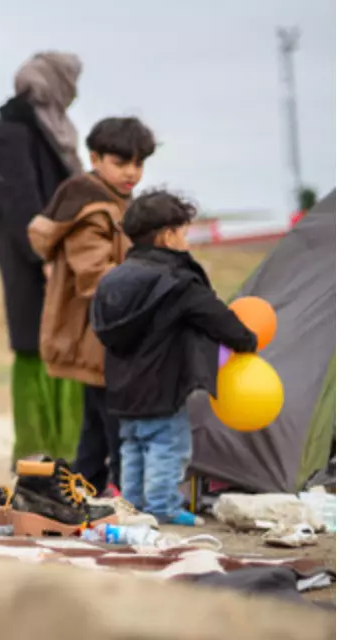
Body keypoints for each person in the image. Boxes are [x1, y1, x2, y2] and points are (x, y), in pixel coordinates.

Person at [92, 190, 258, 525]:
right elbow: (215, 316)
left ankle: (134, 505)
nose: (187, 239)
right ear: (167, 235)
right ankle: (163, 506)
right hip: (164, 386)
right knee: (168, 447)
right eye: (183, 232)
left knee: (134, 446)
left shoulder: (112, 280)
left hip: (123, 388)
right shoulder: (178, 281)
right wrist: (246, 340)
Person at [27, 117, 156, 496]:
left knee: (97, 426)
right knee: (115, 423)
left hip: (106, 336)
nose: (131, 172)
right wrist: (154, 285)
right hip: (96, 336)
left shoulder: (116, 201)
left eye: (139, 163)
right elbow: (98, 278)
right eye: (121, 162)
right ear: (95, 157)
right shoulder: (91, 206)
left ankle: (83, 490)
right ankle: (122, 493)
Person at [0, 51, 84, 464]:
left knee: (66, 352)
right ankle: (36, 454)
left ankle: (70, 454)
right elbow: (19, 202)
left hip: (63, 259)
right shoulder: (12, 131)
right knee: (33, 353)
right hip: (34, 262)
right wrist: (41, 255)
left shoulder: (51, 127)